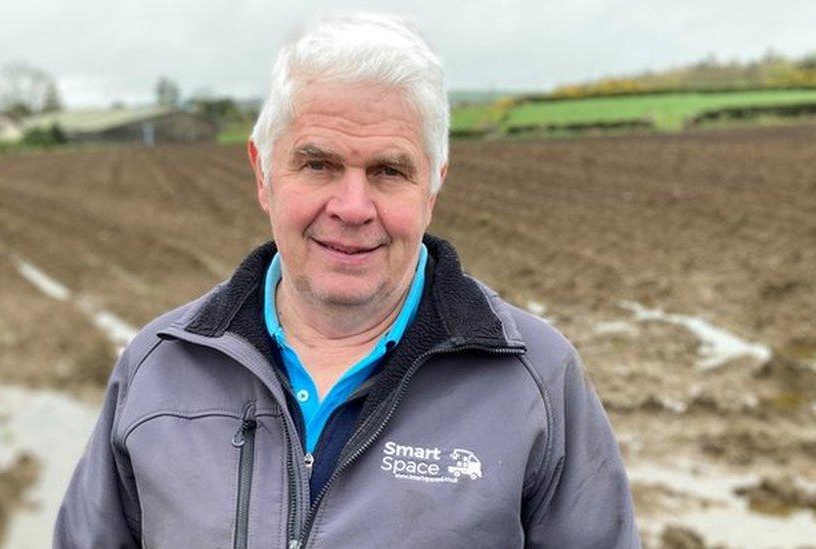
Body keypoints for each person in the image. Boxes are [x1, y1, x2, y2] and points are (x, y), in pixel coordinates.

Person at [55, 13, 639, 548]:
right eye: (318, 165)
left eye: (389, 171)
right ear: (264, 174)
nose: (353, 207)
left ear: (432, 186)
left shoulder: (534, 379)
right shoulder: (158, 370)